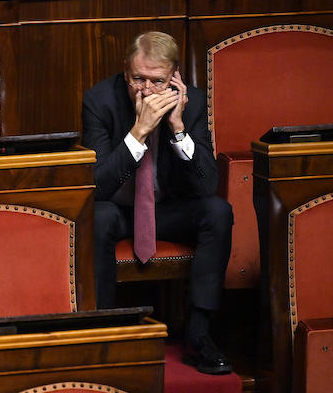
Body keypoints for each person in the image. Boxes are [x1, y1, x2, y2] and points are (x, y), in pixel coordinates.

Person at [81, 31, 234, 375]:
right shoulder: (100, 100)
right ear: (125, 72)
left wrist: (177, 127)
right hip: (119, 210)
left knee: (217, 211)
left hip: (168, 210)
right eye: (138, 79)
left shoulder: (191, 102)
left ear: (174, 76)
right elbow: (97, 186)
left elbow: (207, 185)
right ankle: (103, 333)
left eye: (157, 81)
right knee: (99, 216)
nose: (147, 90)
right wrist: (139, 132)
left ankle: (198, 334)